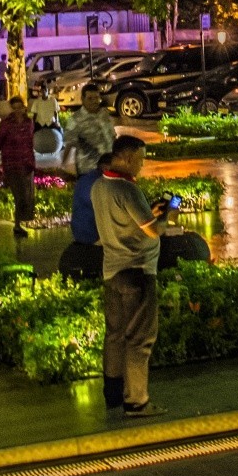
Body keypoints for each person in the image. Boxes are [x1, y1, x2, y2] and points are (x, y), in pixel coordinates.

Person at [93, 135, 165, 417]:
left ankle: (112, 395)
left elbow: (126, 220)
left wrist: (149, 213)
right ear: (123, 158)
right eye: (140, 158)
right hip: (138, 271)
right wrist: (166, 215)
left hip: (112, 271)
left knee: (115, 335)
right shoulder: (127, 190)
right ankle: (137, 401)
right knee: (140, 339)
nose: (142, 164)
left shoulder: (99, 187)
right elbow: (152, 230)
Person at [58, 151, 110, 281]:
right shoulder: (100, 184)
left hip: (80, 235)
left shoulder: (86, 180)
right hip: (94, 238)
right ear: (105, 168)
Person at [0, 95, 37, 238]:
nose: (18, 110)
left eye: (20, 107)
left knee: (27, 196)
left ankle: (21, 222)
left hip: (26, 163)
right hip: (12, 164)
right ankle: (17, 226)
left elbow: (30, 142)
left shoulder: (29, 122)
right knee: (18, 196)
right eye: (15, 108)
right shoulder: (6, 124)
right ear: (11, 109)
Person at [64, 85, 117, 175]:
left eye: (96, 98)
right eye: (90, 98)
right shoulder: (75, 119)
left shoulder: (104, 114)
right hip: (88, 168)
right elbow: (70, 144)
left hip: (109, 167)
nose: (94, 101)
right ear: (82, 99)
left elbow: (113, 136)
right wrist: (64, 164)